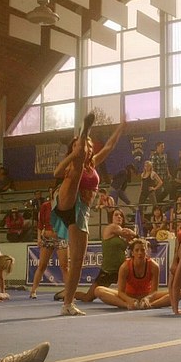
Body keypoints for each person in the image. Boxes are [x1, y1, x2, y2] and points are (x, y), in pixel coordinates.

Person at [51, 113, 126, 316]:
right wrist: (75, 153)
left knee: (77, 261)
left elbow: (109, 146)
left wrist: (121, 127)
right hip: (67, 201)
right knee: (77, 168)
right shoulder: (73, 163)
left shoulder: (93, 162)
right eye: (82, 145)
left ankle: (68, 304)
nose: (87, 149)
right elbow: (56, 173)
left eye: (88, 146)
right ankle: (86, 129)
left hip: (81, 211)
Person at [73, 208, 137, 303]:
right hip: (108, 271)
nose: (119, 217)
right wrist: (135, 234)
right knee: (87, 298)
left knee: (131, 292)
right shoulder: (111, 228)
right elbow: (128, 233)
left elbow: (131, 241)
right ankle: (67, 294)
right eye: (116, 215)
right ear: (111, 218)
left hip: (121, 270)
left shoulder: (121, 235)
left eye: (121, 216)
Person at [95, 238, 174, 309]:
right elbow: (121, 292)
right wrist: (129, 300)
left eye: (142, 250)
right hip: (129, 295)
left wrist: (147, 299)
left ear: (146, 252)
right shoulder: (125, 267)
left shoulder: (154, 266)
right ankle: (127, 305)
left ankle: (150, 305)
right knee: (98, 290)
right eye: (137, 250)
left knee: (178, 292)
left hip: (147, 296)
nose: (140, 253)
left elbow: (154, 291)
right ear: (132, 253)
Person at [29, 187, 69, 299]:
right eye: (58, 191)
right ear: (53, 193)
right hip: (47, 237)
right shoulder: (45, 206)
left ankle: (69, 292)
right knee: (42, 265)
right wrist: (39, 238)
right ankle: (33, 290)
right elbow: (40, 224)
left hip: (61, 237)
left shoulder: (66, 206)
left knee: (65, 266)